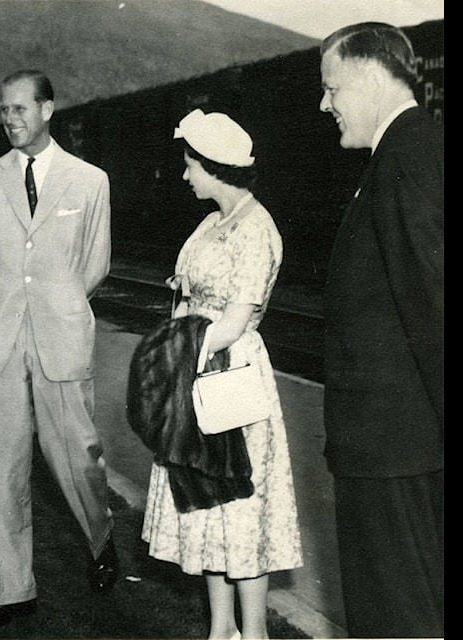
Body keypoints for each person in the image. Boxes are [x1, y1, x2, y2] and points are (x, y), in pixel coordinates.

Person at [0, 69, 118, 631]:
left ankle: (101, 539)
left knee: (79, 454)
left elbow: (95, 263)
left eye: (20, 109)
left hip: (63, 335)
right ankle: (13, 591)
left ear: (48, 109)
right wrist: (11, 298)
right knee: (5, 466)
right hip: (1, 338)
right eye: (4, 110)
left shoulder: (89, 180)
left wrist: (57, 301)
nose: (10, 119)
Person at [138, 109, 303, 639]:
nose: (185, 176)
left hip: (230, 375)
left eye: (190, 166)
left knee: (240, 504)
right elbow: (185, 293)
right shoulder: (211, 223)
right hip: (195, 368)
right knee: (206, 499)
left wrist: (178, 352)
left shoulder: (258, 228)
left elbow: (234, 320)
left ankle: (252, 633)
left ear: (214, 167)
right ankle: (221, 630)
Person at [318, 23, 443, 638]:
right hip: (389, 444)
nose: (325, 104)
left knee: (399, 621)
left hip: (396, 450)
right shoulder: (401, 155)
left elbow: (435, 304)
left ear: (369, 75)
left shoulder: (407, 159)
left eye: (331, 87)